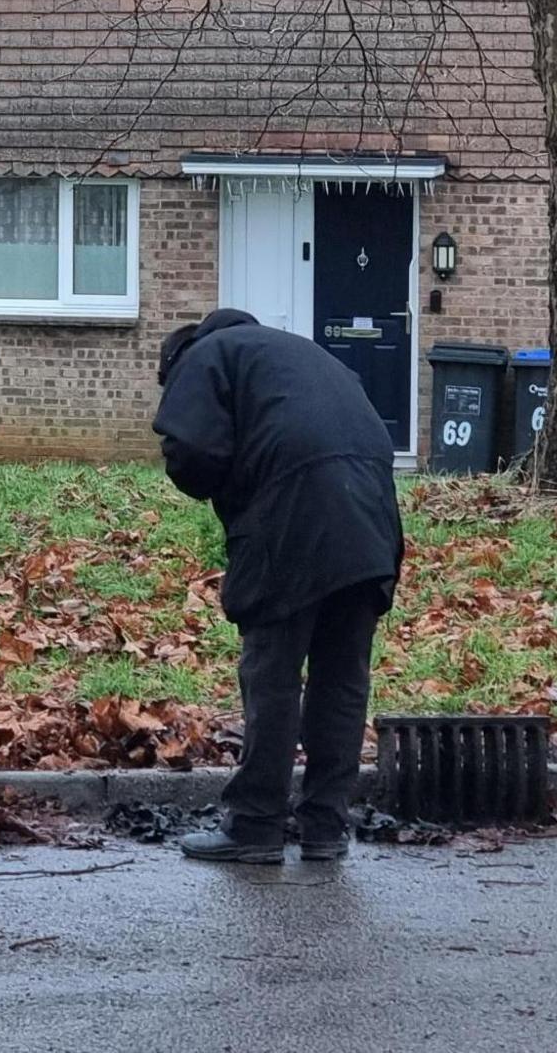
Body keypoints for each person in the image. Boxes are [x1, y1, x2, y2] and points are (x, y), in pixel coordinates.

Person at [152, 309, 405, 865]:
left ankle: (256, 825)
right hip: (370, 511)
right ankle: (325, 827)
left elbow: (191, 450)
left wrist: (221, 487)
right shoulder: (297, 354)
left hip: (294, 510)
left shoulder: (203, 354)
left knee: (272, 671)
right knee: (342, 677)